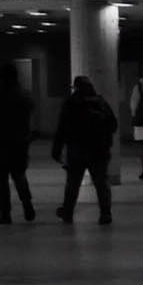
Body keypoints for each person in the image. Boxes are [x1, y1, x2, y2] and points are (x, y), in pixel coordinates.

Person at [53, 74, 119, 223]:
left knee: (73, 183)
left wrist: (56, 149)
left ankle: (68, 212)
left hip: (77, 151)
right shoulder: (101, 102)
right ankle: (105, 213)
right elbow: (113, 125)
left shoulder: (71, 103)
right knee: (101, 183)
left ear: (75, 87)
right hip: (100, 150)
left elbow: (62, 128)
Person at [0, 65, 37, 223]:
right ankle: (27, 205)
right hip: (20, 142)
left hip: (1, 142)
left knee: (2, 180)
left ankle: (5, 214)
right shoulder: (25, 94)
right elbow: (31, 112)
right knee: (19, 175)